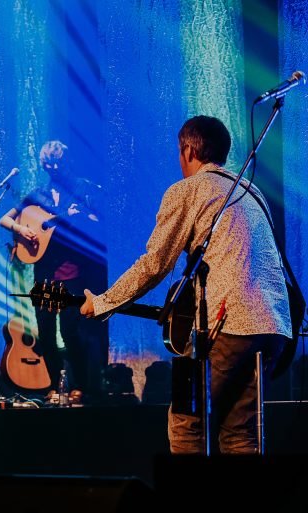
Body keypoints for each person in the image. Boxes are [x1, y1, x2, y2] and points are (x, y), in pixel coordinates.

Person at [80, 115, 291, 453]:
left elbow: (154, 264)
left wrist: (104, 301)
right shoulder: (250, 191)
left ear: (189, 151)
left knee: (186, 422)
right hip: (273, 327)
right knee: (240, 434)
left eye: (179, 153)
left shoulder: (189, 190)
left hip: (230, 324)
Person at [0, 140, 107, 401]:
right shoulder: (37, 195)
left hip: (72, 272)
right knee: (45, 330)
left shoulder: (81, 189)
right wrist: (22, 230)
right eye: (49, 163)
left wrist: (79, 217)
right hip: (44, 274)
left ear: (67, 162)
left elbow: (98, 220)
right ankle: (52, 387)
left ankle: (79, 385)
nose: (55, 167)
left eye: (59, 162)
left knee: (71, 331)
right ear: (43, 165)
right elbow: (5, 218)